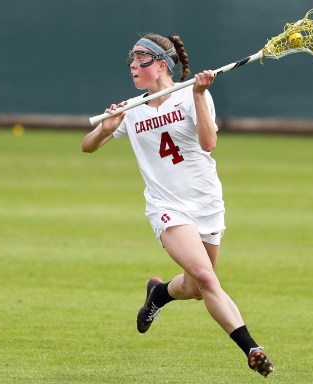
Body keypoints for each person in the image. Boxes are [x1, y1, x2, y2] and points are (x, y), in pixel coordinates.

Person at [81, 34, 275, 377]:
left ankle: (158, 294)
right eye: (131, 59)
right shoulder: (132, 108)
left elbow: (209, 142)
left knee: (195, 288)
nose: (132, 65)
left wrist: (199, 94)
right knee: (206, 277)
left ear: (160, 64)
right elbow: (87, 146)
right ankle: (252, 348)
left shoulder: (191, 95)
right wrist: (105, 130)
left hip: (206, 204)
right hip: (166, 207)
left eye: (140, 58)